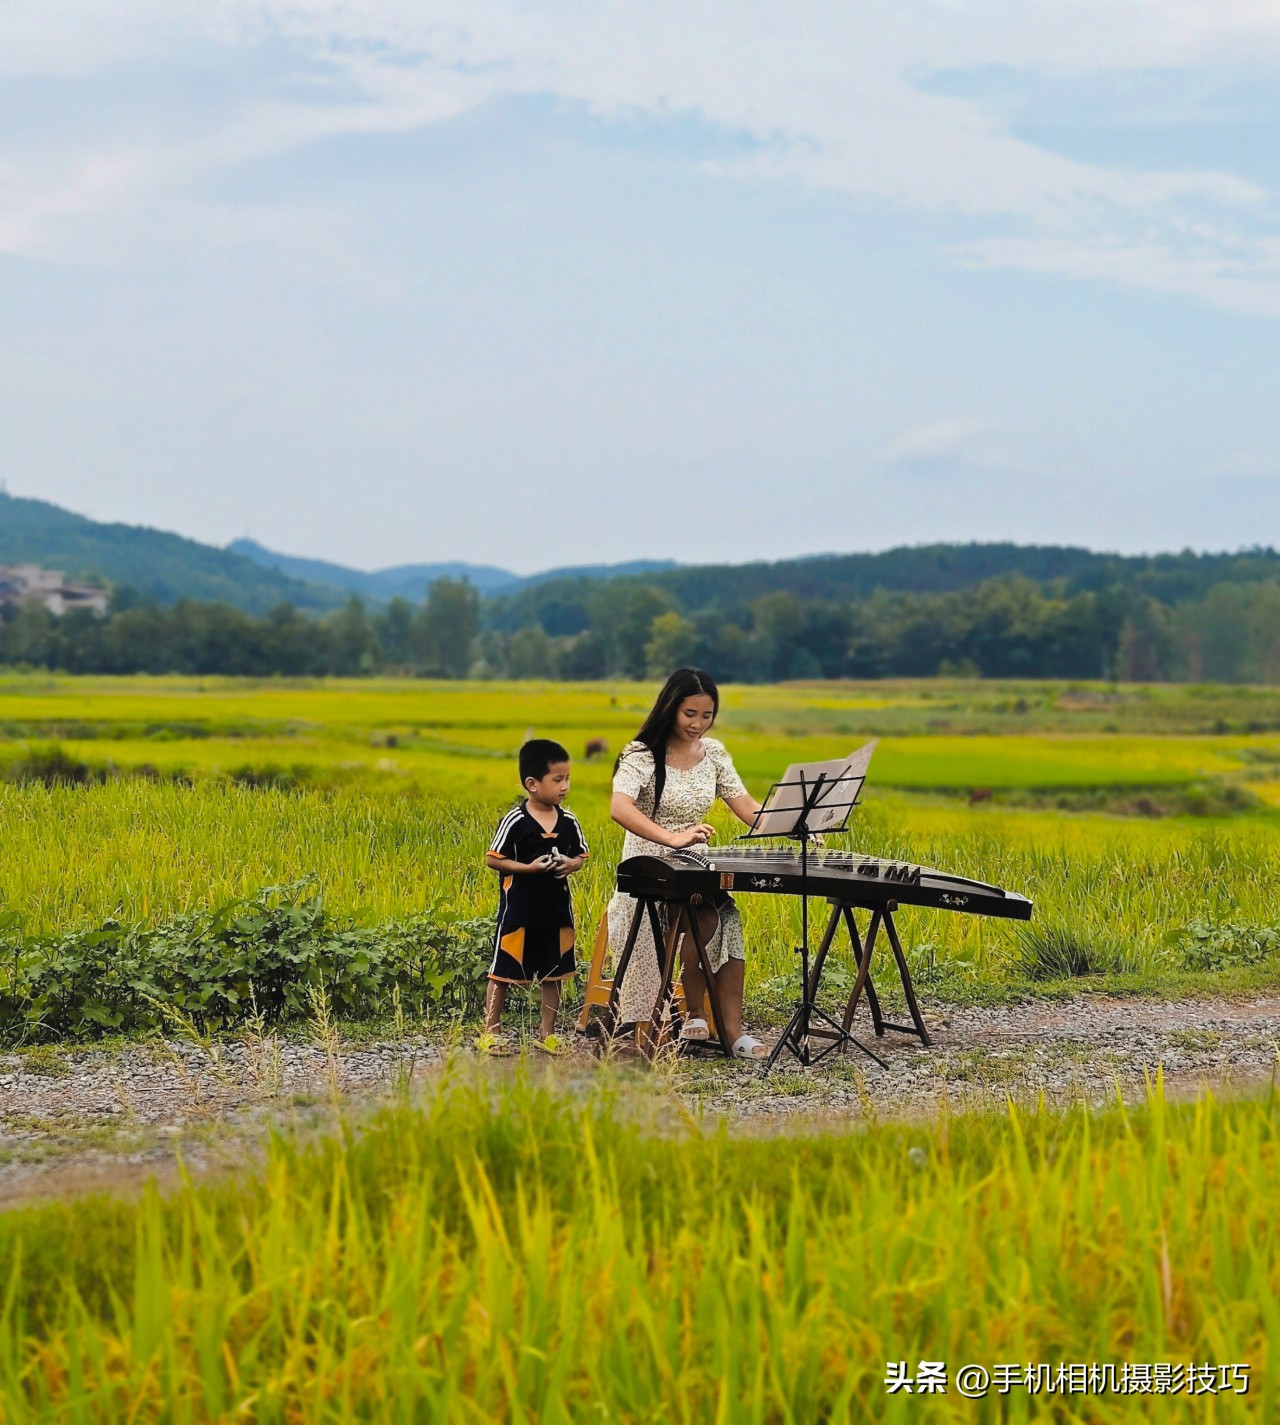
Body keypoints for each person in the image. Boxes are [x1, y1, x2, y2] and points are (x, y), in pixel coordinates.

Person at [607, 667, 768, 1058]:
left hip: (694, 867)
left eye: (707, 715)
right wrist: (672, 838)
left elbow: (746, 806)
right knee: (689, 914)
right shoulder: (641, 754)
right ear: (670, 708)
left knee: (724, 917)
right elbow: (619, 807)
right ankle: (686, 1012)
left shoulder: (713, 753)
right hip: (647, 868)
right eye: (689, 714)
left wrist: (797, 822)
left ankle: (730, 1032)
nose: (698, 724)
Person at [481, 738, 588, 1056]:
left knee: (554, 974)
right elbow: (493, 858)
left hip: (556, 912)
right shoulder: (515, 821)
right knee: (503, 971)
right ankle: (491, 1031)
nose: (565, 786)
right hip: (520, 912)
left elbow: (580, 857)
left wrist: (569, 864)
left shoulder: (569, 822)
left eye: (567, 778)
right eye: (557, 780)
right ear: (532, 783)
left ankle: (547, 1032)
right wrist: (527, 868)